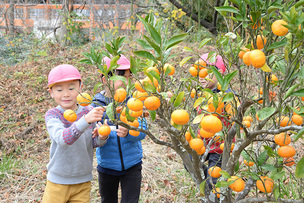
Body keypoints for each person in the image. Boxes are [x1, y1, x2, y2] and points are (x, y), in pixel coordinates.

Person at [43, 64, 108, 202]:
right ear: (51, 93)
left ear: (80, 88)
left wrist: (102, 137)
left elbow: (92, 142)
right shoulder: (53, 115)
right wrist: (85, 120)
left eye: (71, 88)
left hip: (83, 181)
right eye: (59, 89)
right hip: (58, 181)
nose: (66, 94)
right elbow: (63, 139)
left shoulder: (88, 110)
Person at [91, 55, 147, 203]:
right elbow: (93, 138)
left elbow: (143, 130)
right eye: (121, 78)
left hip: (132, 165)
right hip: (107, 166)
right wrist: (101, 137)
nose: (126, 82)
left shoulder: (133, 101)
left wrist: (129, 133)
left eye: (129, 77)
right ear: (105, 80)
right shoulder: (96, 104)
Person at [198, 53, 234, 189]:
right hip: (203, 144)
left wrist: (237, 150)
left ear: (218, 73)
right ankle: (205, 184)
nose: (201, 77)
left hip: (220, 149)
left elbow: (236, 125)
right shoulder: (202, 95)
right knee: (189, 160)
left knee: (214, 182)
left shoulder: (228, 97)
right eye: (199, 72)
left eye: (206, 73)